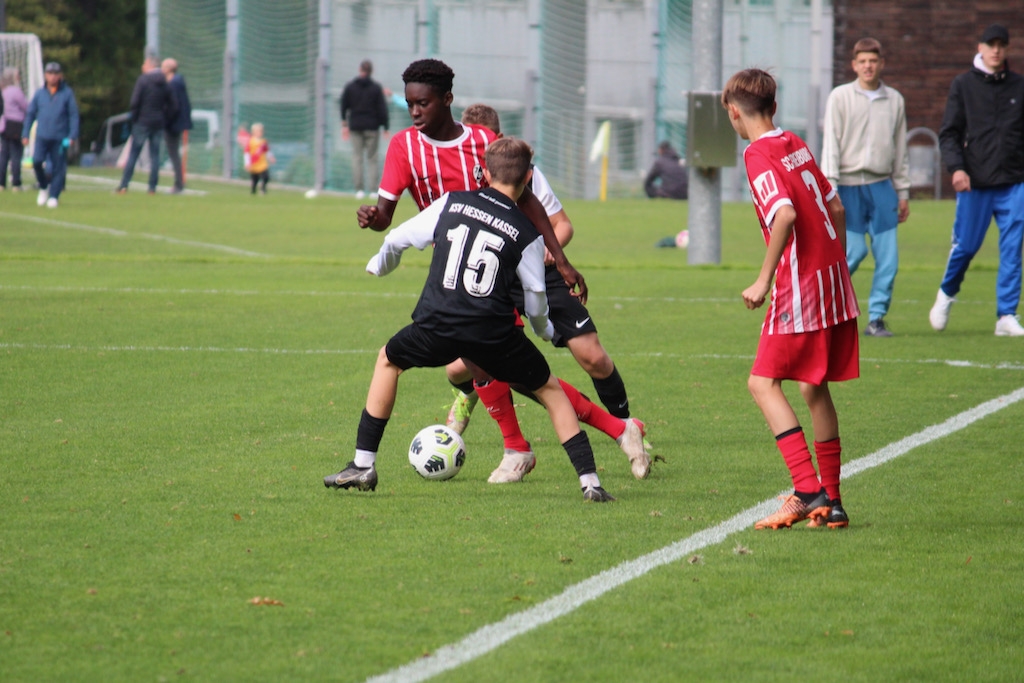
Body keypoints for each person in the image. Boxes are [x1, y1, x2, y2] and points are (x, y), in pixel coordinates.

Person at [324, 137, 615, 502]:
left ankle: (363, 465)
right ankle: (590, 483)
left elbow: (397, 238)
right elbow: (536, 295)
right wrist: (543, 330)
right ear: (528, 177)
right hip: (493, 333)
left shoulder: (451, 202)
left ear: (485, 173)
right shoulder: (528, 234)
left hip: (438, 323)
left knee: (388, 360)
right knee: (551, 392)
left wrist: (379, 265)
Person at [444, 103, 651, 482]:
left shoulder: (520, 170)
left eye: (483, 140)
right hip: (494, 279)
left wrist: (550, 256)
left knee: (591, 357)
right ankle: (507, 434)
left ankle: (624, 424)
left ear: (497, 139)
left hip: (539, 272)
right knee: (466, 366)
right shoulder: (459, 172)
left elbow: (560, 224)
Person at [722, 68, 860, 530]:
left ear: (734, 112)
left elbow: (783, 214)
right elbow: (835, 206)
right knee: (812, 386)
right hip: (833, 279)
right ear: (774, 107)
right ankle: (833, 502)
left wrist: (763, 280)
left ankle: (806, 489)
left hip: (800, 286)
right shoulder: (794, 142)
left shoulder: (757, 154)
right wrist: (836, 262)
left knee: (762, 384)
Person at [356, 59, 585, 305]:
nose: (414, 112)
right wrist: (372, 217)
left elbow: (527, 200)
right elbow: (383, 218)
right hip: (457, 271)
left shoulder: (484, 140)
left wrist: (562, 261)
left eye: (423, 103)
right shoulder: (403, 146)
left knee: (575, 324)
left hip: (506, 256)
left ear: (447, 98)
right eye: (410, 104)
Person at [930, 24, 1024, 337]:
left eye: (1001, 44)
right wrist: (957, 168)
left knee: (1012, 250)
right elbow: (949, 134)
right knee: (967, 246)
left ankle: (1006, 315)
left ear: (1007, 48)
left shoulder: (1019, 86)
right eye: (990, 44)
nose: (996, 50)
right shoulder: (963, 85)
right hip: (975, 183)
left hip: (1014, 182)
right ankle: (946, 293)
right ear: (980, 47)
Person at [821, 37, 910, 338]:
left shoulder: (895, 100)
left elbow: (900, 149)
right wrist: (831, 186)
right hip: (847, 186)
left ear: (881, 63)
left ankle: (876, 319)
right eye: (863, 61)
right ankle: (825, 308)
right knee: (854, 251)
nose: (868, 66)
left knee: (889, 259)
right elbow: (830, 143)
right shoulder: (840, 97)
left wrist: (903, 191)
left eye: (873, 61)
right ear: (854, 65)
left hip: (882, 186)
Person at [21, 62, 79, 209]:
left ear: (60, 76)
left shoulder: (66, 93)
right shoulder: (40, 94)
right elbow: (30, 114)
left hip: (59, 137)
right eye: (50, 74)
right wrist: (25, 133)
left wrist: (72, 135)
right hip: (42, 135)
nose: (53, 77)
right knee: (37, 162)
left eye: (55, 74)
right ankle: (43, 186)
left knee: (58, 168)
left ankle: (54, 196)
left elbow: (73, 115)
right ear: (46, 75)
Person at [117, 55, 176, 194]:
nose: (142, 67)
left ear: (150, 65)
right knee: (155, 156)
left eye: (144, 64)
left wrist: (135, 118)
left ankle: (124, 185)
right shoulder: (164, 81)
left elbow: (135, 102)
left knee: (134, 154)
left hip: (142, 122)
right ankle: (152, 188)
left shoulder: (143, 80)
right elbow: (173, 104)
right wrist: (164, 117)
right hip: (158, 123)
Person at [340, 59, 389, 199]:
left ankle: (359, 190)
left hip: (355, 126)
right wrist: (386, 126)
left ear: (359, 69)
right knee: (372, 158)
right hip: (372, 127)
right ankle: (373, 190)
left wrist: (344, 124)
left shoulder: (350, 87)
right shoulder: (376, 88)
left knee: (357, 157)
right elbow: (382, 108)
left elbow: (343, 106)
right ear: (371, 71)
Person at [161, 58, 193, 194]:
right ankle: (179, 182)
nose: (161, 69)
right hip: (177, 122)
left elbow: (174, 106)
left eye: (163, 67)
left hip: (173, 124)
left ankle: (179, 184)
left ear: (169, 69)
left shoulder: (173, 84)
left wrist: (166, 120)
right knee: (174, 154)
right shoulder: (178, 82)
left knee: (173, 154)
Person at [0, 67, 29, 192]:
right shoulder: (15, 91)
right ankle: (16, 183)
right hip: (15, 125)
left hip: (4, 125)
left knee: (4, 154)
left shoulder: (3, 91)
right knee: (16, 153)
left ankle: (1, 183)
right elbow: (25, 106)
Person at [244, 122, 273, 194]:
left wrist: (271, 157)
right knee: (255, 180)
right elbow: (247, 153)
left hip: (262, 164)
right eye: (257, 131)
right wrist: (247, 163)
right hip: (254, 163)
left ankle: (263, 189)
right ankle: (253, 191)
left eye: (261, 131)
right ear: (253, 132)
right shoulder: (251, 141)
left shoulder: (263, 142)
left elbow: (267, 151)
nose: (259, 133)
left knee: (266, 177)